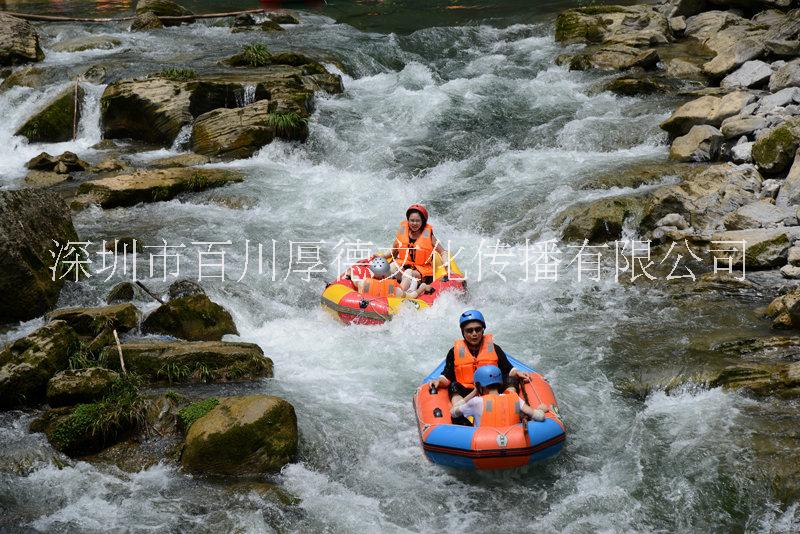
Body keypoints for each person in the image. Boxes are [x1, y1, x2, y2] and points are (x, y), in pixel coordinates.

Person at [428, 310, 530, 409]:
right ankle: (460, 413)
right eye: (469, 330)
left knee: (511, 379)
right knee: (453, 386)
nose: (474, 333)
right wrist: (438, 381)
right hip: (467, 393)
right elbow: (447, 377)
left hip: (492, 390)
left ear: (483, 330)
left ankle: (510, 406)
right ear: (463, 332)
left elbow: (508, 369)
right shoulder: (454, 352)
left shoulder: (494, 348)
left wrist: (518, 373)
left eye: (478, 329)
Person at [451, 365, 547, 427]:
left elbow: (453, 413)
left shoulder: (476, 402)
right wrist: (541, 409)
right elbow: (539, 416)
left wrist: (474, 392)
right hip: (513, 442)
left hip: (483, 444)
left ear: (479, 386)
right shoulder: (514, 398)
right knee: (522, 415)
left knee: (459, 418)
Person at [392, 203, 449, 286]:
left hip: (422, 273)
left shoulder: (428, 236)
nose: (414, 223)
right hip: (405, 267)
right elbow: (394, 250)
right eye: (412, 220)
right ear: (408, 220)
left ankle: (400, 294)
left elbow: (443, 252)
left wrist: (448, 270)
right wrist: (383, 257)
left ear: (423, 221)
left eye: (418, 221)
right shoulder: (403, 231)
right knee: (391, 267)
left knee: (408, 272)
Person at [349, 257, 433, 299]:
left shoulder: (362, 283)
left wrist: (350, 272)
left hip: (369, 303)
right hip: (398, 296)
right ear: (384, 276)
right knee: (409, 273)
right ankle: (417, 281)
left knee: (406, 272)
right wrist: (422, 287)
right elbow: (412, 296)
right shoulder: (395, 290)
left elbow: (354, 275)